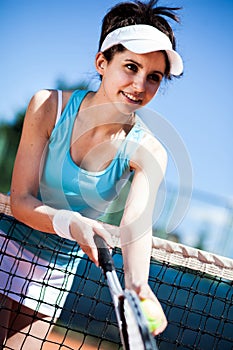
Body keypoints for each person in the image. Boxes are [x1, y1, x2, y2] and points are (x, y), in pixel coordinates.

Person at [0, 0, 183, 348]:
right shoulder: (48, 106)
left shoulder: (150, 152)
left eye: (154, 77)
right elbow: (21, 200)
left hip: (54, 274)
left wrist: (139, 288)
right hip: (4, 245)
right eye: (130, 67)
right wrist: (70, 222)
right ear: (102, 62)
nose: (140, 85)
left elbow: (135, 229)